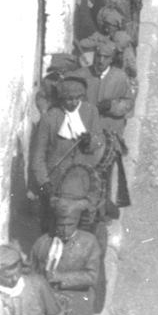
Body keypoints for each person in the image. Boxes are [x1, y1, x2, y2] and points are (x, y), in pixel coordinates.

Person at [31, 74, 106, 230]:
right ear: (61, 98)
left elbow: (100, 140)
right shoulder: (50, 118)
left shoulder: (90, 112)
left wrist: (90, 140)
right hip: (56, 182)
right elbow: (38, 156)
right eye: (69, 99)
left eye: (78, 98)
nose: (74, 102)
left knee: (83, 223)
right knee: (54, 225)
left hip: (82, 181)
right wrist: (44, 182)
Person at [81, 43, 136, 138]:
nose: (101, 60)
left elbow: (129, 103)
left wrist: (111, 106)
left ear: (111, 59)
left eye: (106, 57)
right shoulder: (83, 74)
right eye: (99, 56)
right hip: (87, 128)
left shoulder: (120, 77)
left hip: (110, 129)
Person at [77, 7, 137, 78]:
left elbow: (133, 70)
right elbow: (82, 44)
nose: (106, 29)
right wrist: (100, 42)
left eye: (110, 27)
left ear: (117, 26)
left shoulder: (123, 40)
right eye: (106, 26)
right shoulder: (101, 36)